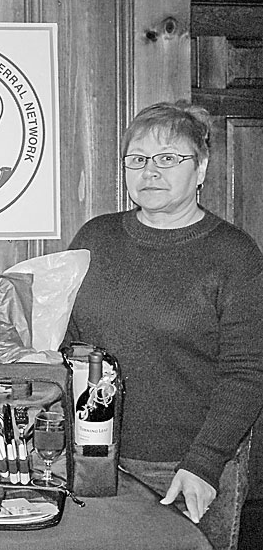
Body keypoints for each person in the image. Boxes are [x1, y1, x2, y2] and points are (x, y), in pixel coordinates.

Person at [66, 101, 263, 550]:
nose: (149, 171)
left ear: (201, 169)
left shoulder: (235, 255)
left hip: (186, 469)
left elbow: (247, 372)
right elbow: (68, 340)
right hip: (96, 460)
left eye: (168, 158)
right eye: (137, 160)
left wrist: (205, 463)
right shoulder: (96, 238)